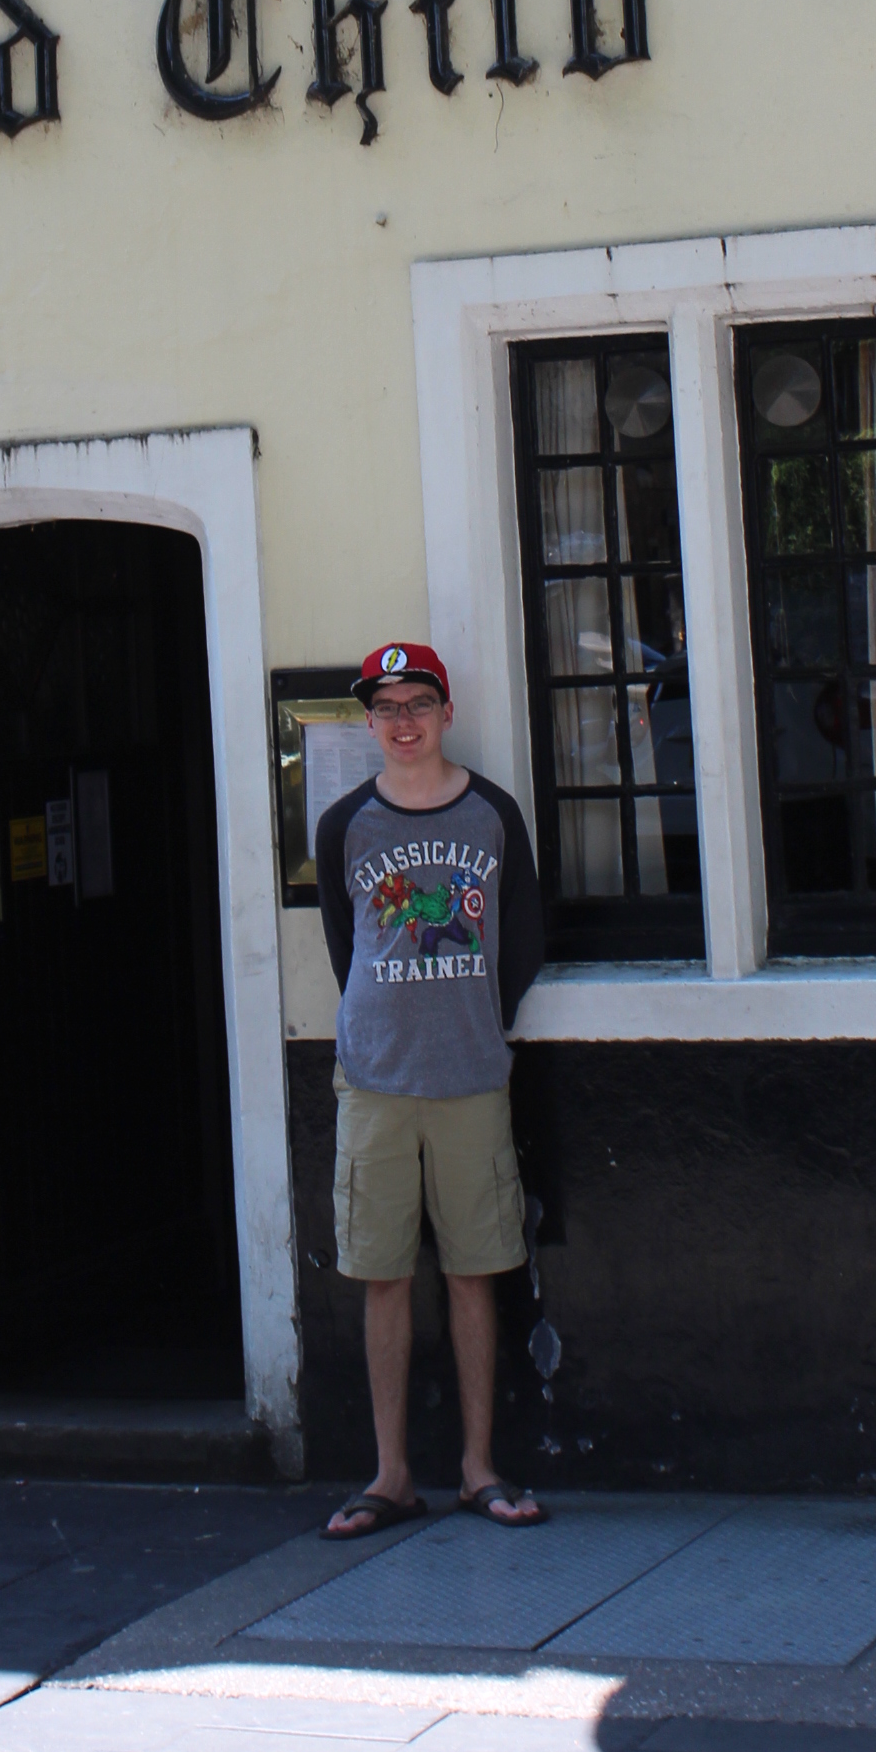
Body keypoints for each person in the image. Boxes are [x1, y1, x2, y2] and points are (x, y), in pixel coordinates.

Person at [313, 640, 546, 1536]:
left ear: (447, 712)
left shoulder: (493, 814)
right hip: (375, 1080)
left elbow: (521, 935)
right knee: (381, 1276)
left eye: (418, 703)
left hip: (470, 1077)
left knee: (472, 1272)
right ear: (369, 723)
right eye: (386, 707)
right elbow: (347, 947)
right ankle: (392, 1474)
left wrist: (479, 1018)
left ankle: (478, 1468)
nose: (403, 722)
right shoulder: (345, 825)